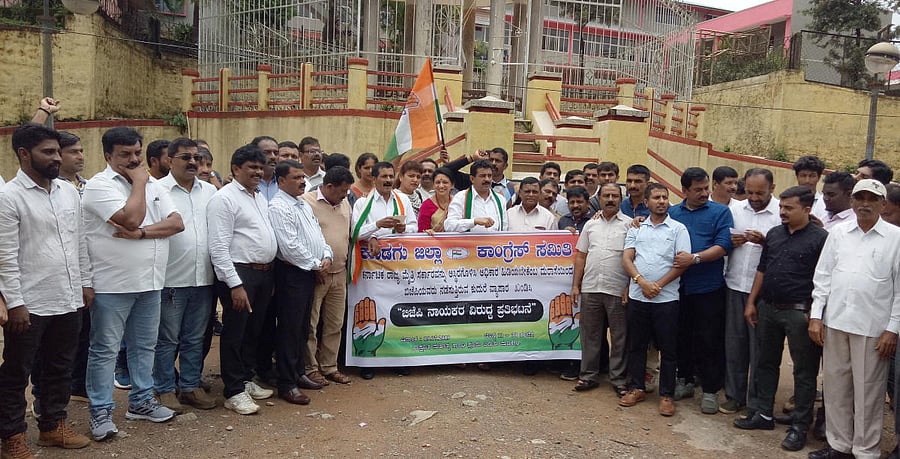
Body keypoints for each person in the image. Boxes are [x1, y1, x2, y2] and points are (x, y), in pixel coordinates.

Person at [82, 127, 184, 440]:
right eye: (125, 154)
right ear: (108, 155)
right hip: (112, 284)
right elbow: (129, 218)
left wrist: (141, 234)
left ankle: (140, 402)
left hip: (150, 281)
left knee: (144, 347)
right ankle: (100, 412)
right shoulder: (99, 187)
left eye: (137, 153)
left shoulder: (152, 183)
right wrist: (139, 184)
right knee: (105, 350)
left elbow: (176, 223)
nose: (134, 159)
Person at [0, 124, 93, 457]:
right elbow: (5, 256)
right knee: (17, 372)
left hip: (67, 298)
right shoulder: (9, 197)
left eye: (57, 151)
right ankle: (12, 436)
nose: (57, 158)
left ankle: (52, 427)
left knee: (60, 367)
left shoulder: (67, 191)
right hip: (29, 303)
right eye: (48, 152)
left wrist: (85, 282)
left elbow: (79, 241)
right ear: (24, 154)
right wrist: (15, 303)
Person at [808, 179, 900, 459]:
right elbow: (822, 277)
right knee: (836, 389)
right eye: (860, 198)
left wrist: (892, 329)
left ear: (883, 204)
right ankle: (839, 446)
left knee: (868, 394)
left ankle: (866, 451)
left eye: (872, 199)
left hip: (873, 329)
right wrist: (815, 316)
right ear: (852, 201)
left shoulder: (896, 238)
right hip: (836, 323)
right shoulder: (838, 234)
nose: (865, 204)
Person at [734, 186, 828, 453]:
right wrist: (752, 302)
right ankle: (763, 413)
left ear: (807, 210)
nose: (782, 212)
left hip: (799, 313)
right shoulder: (774, 234)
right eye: (782, 207)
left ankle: (800, 424)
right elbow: (762, 270)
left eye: (789, 208)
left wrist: (816, 316)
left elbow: (825, 280)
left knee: (804, 370)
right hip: (768, 309)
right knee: (765, 362)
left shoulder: (821, 239)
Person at [207, 144, 278, 415]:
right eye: (252, 167)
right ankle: (233, 390)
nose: (258, 172)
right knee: (235, 332)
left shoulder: (258, 196)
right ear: (236, 169)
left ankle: (246, 378)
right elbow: (219, 247)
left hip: (264, 272)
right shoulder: (224, 199)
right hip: (239, 273)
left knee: (253, 330)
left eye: (261, 167)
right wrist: (234, 284)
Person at [153, 138, 218, 412]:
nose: (193, 162)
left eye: (196, 157)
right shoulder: (156, 190)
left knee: (195, 337)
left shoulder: (210, 192)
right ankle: (164, 389)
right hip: (171, 278)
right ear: (170, 160)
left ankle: (191, 386)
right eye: (185, 157)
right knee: (167, 339)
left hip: (204, 278)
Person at [619, 183, 691, 417]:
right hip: (638, 297)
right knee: (637, 346)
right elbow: (627, 259)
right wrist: (642, 282)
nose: (661, 201)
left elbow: (681, 263)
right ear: (647, 202)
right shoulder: (636, 228)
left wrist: (658, 285)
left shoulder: (678, 229)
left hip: (666, 299)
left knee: (669, 350)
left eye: (664, 197)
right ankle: (637, 387)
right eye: (657, 198)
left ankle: (666, 395)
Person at [668, 167, 733, 414]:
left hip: (708, 288)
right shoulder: (673, 213)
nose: (704, 193)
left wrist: (694, 259)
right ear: (684, 190)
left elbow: (723, 245)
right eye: (698, 190)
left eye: (706, 188)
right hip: (677, 288)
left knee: (709, 340)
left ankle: (709, 390)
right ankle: (684, 381)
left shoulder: (720, 212)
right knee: (680, 337)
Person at [268, 160, 333, 405]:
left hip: (309, 272)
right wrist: (317, 263)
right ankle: (287, 383)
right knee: (289, 329)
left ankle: (298, 373)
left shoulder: (303, 204)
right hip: (292, 274)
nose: (302, 181)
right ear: (281, 180)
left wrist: (326, 255)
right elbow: (289, 246)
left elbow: (317, 235)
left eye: (302, 177)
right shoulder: (278, 206)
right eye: (296, 177)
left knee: (303, 327)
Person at [721, 168, 780, 415]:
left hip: (765, 293)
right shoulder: (735, 211)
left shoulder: (780, 213)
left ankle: (758, 402)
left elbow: (785, 247)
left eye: (760, 193)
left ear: (772, 189)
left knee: (761, 350)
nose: (754, 197)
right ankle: (734, 395)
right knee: (734, 346)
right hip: (734, 285)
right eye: (751, 192)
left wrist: (765, 241)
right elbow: (722, 240)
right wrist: (731, 242)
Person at [350, 161, 417, 379]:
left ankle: (396, 360)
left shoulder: (403, 199)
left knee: (395, 310)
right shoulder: (362, 203)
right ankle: (367, 362)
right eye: (384, 177)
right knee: (371, 312)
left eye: (391, 176)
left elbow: (415, 227)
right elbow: (356, 233)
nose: (388, 180)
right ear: (374, 178)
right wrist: (377, 227)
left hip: (397, 268)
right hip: (371, 270)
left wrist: (404, 227)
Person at [571, 183, 632, 395]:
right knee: (590, 335)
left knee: (619, 337)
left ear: (620, 198)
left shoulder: (629, 225)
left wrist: (629, 285)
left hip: (617, 288)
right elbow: (581, 256)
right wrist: (576, 285)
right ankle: (588, 376)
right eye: (606, 195)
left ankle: (618, 379)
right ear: (600, 198)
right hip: (590, 286)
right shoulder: (591, 224)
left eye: (615, 195)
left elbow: (635, 258)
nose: (610, 199)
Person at [301, 166, 355, 386]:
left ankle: (330, 367)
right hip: (316, 274)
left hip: (340, 273)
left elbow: (349, 234)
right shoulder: (306, 202)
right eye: (342, 191)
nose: (345, 195)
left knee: (334, 324)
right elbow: (302, 238)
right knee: (310, 325)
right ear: (329, 186)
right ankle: (310, 368)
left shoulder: (345, 204)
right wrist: (314, 266)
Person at [445, 159, 509, 233]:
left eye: (489, 176)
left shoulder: (500, 199)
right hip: (469, 244)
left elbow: (504, 229)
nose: (487, 179)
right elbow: (449, 226)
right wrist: (474, 222)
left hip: (495, 244)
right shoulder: (461, 197)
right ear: (472, 179)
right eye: (482, 176)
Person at [418, 168, 454, 234]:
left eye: (445, 182)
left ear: (452, 185)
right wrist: (428, 232)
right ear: (433, 185)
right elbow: (421, 232)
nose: (441, 186)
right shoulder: (426, 205)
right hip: (434, 242)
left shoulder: (457, 202)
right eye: (437, 182)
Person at [793, 155, 827, 220]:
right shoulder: (786, 203)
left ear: (819, 178)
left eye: (812, 176)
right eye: (803, 176)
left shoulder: (824, 204)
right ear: (797, 177)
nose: (807, 181)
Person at [251, 136, 280, 201]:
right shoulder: (247, 182)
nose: (273, 157)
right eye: (266, 153)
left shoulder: (284, 181)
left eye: (276, 153)